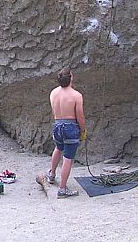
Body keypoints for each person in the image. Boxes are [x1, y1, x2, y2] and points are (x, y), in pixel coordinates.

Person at [46, 67, 85, 198]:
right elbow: (80, 116)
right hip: (70, 127)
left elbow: (54, 112)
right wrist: (83, 130)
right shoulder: (76, 96)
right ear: (71, 78)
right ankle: (62, 189)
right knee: (68, 158)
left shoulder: (53, 93)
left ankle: (51, 175)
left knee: (58, 148)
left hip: (57, 125)